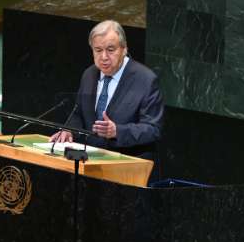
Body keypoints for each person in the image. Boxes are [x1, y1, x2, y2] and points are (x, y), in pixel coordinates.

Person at [50, 20, 164, 160]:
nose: (104, 57)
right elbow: (79, 113)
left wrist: (117, 131)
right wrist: (69, 131)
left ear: (124, 49)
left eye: (110, 50)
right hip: (89, 160)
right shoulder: (89, 74)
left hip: (126, 162)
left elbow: (153, 129)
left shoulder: (145, 80)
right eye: (98, 50)